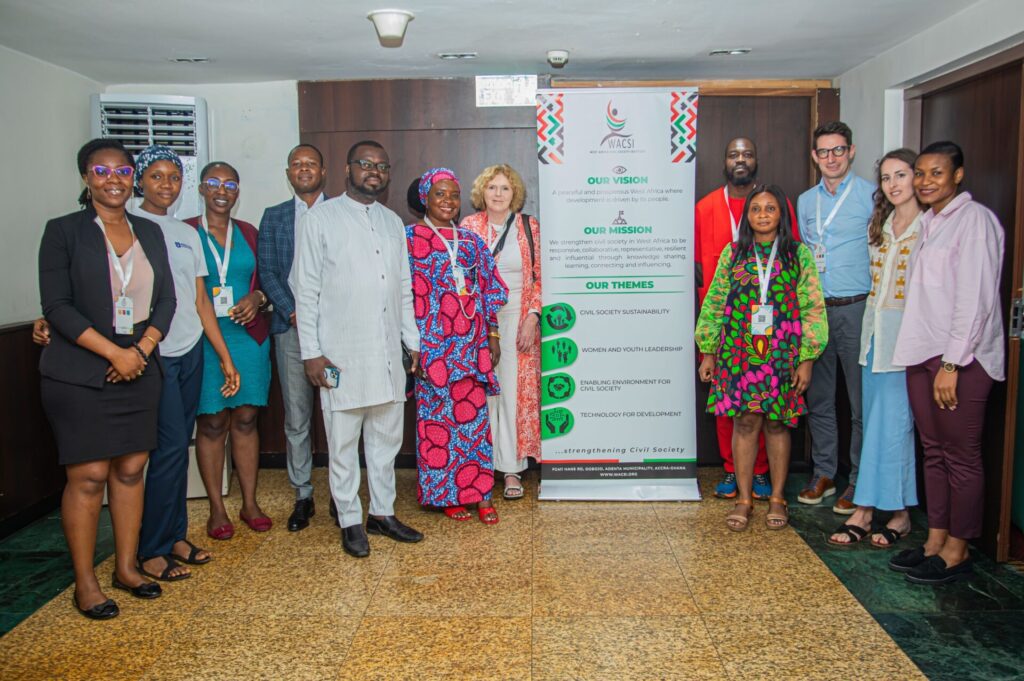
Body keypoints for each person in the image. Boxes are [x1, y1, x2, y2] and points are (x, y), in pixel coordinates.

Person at [38, 138, 176, 618]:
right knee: (90, 475)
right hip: (80, 372)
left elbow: (167, 301)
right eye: (101, 171)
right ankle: (85, 582)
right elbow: (57, 306)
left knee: (132, 469)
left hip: (140, 366)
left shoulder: (149, 232)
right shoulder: (63, 232)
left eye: (121, 171)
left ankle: (126, 567)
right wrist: (113, 354)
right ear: (85, 178)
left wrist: (138, 351)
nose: (113, 179)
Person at [293, 140, 424, 558]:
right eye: (365, 164)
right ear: (347, 170)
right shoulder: (321, 219)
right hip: (337, 357)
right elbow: (305, 290)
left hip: (387, 356)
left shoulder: (390, 222)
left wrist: (413, 342)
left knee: (386, 443)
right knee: (343, 444)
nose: (374, 171)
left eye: (382, 166)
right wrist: (311, 353)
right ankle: (350, 519)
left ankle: (382, 513)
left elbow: (403, 288)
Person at [889, 141, 1005, 584]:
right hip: (922, 351)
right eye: (919, 173)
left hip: (960, 360)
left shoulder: (974, 222)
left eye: (935, 173)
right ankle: (935, 539)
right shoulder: (931, 222)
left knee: (961, 456)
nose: (924, 181)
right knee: (933, 453)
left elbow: (974, 300)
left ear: (958, 175)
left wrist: (952, 364)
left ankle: (959, 548)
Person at [696, 184, 827, 531]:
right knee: (745, 423)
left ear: (781, 214)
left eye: (770, 208)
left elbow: (813, 308)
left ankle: (778, 498)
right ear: (747, 216)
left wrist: (807, 358)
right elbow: (714, 303)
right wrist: (708, 350)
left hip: (783, 353)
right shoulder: (733, 253)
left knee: (777, 424)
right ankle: (743, 498)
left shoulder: (797, 255)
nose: (763, 215)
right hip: (740, 353)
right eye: (756, 209)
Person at [694, 138, 798, 500]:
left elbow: (800, 286)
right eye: (733, 154)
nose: (740, 159)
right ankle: (731, 471)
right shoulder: (706, 207)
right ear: (724, 161)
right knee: (731, 408)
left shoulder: (779, 210)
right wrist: (708, 342)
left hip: (779, 337)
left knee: (773, 413)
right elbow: (697, 271)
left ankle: (761, 477)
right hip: (732, 331)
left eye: (747, 154)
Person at [828, 148, 921, 548]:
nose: (894, 184)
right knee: (876, 423)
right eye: (886, 178)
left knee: (895, 427)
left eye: (901, 175)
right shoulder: (880, 227)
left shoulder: (928, 227)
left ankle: (883, 511)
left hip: (910, 345)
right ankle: (884, 510)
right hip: (873, 340)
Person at [408, 168, 508, 524]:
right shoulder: (409, 238)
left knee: (474, 423)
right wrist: (410, 346)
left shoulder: (471, 241)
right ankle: (447, 494)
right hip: (433, 348)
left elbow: (490, 292)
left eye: (453, 195)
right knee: (437, 423)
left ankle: (480, 494)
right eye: (440, 194)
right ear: (425, 198)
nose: (447, 201)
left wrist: (493, 335)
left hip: (472, 346)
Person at [186, 162, 272, 540]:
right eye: (214, 183)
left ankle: (249, 502)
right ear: (202, 189)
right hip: (203, 340)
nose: (222, 190)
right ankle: (217, 508)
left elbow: (267, 280)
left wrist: (258, 297)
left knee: (246, 419)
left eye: (230, 184)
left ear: (238, 191)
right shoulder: (186, 232)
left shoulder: (249, 233)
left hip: (248, 337)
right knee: (212, 422)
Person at [795, 121, 875, 514]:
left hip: (856, 307)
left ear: (851, 151)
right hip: (815, 311)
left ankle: (859, 480)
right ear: (815, 157)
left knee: (860, 402)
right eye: (824, 152)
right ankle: (824, 472)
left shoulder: (871, 196)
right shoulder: (806, 201)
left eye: (838, 150)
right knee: (819, 397)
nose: (831, 158)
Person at [257, 144, 327, 532]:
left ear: (323, 170)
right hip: (291, 331)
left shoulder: (340, 212)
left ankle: (340, 492)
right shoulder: (275, 217)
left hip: (336, 333)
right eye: (297, 165)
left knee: (338, 415)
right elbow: (267, 272)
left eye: (310, 164)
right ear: (288, 173)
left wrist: (324, 317)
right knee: (297, 418)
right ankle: (303, 494)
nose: (304, 170)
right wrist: (295, 312)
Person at [459, 164, 541, 500]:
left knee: (511, 396)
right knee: (480, 395)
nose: (497, 194)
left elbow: (541, 274)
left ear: (514, 194)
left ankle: (511, 469)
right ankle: (479, 467)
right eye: (492, 187)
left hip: (518, 320)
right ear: (482, 191)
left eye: (505, 188)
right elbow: (459, 276)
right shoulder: (468, 227)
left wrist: (533, 318)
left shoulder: (528, 226)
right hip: (478, 322)